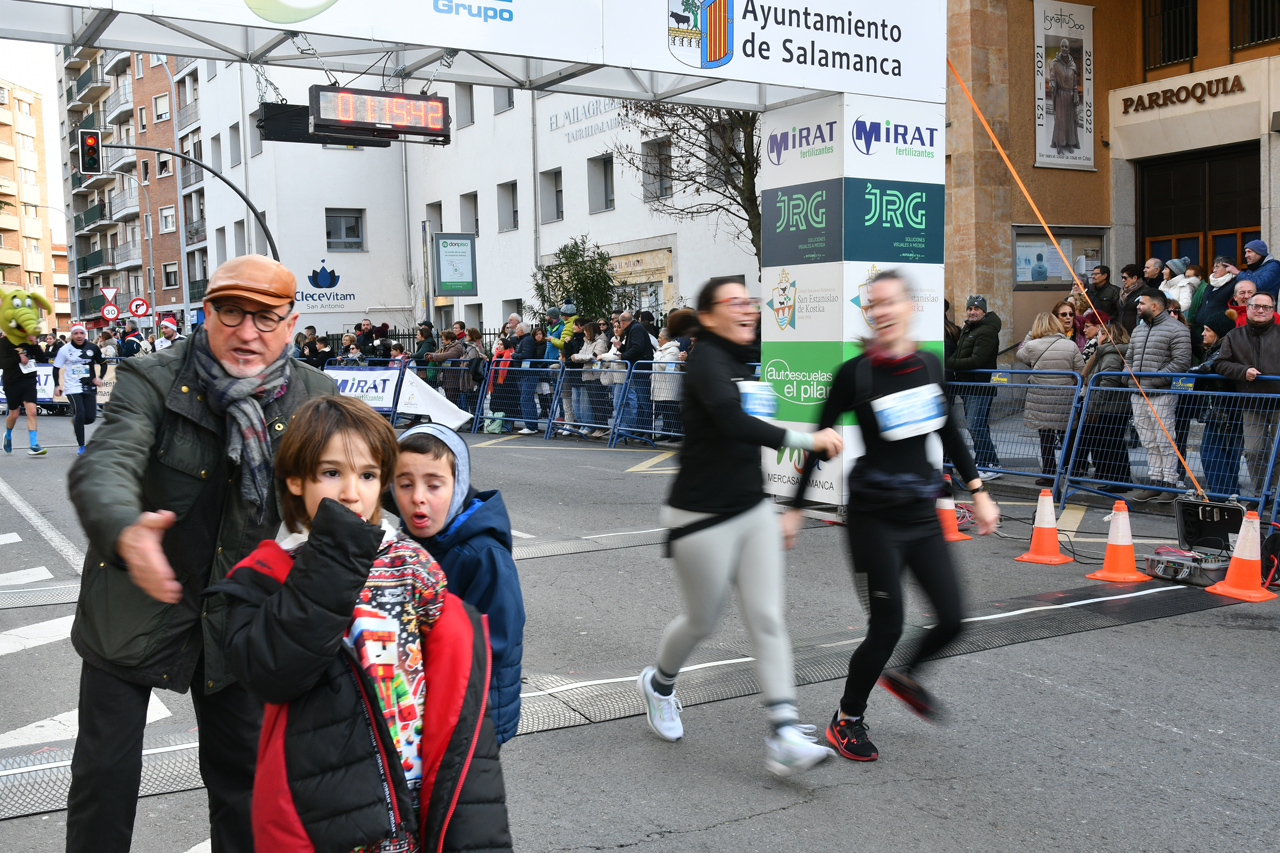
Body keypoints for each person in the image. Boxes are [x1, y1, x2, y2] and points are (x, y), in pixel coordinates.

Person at [64, 254, 338, 853]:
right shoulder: (151, 378)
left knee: (243, 784)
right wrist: (126, 530)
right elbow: (107, 462)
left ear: (291, 324)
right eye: (232, 312)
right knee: (104, 779)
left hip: (238, 614)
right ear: (206, 313)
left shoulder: (316, 397)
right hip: (133, 601)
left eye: (266, 317)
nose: (248, 332)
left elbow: (352, 491)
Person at [209, 397, 511, 852]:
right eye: (332, 473)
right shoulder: (268, 575)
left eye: (368, 475)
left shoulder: (410, 563)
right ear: (296, 480)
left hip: (417, 799)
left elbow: (458, 678)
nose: (352, 493)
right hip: (327, 813)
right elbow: (272, 671)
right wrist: (335, 551)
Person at [790, 270, 999, 763]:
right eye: (873, 305)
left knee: (953, 618)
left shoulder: (928, 363)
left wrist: (979, 491)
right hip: (873, 519)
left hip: (921, 514)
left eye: (889, 302)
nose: (881, 311)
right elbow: (817, 440)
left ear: (910, 306)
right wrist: (795, 508)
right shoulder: (855, 373)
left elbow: (948, 432)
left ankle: (906, 674)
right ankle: (847, 719)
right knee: (887, 626)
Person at [635, 283, 844, 777]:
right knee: (701, 621)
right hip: (700, 514)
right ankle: (659, 685)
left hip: (752, 507)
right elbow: (732, 421)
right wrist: (806, 440)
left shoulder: (741, 357)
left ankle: (783, 732)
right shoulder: (706, 360)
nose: (749, 309)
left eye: (750, 301)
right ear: (708, 317)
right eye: (735, 303)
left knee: (767, 618)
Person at [390, 423, 525, 745]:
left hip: (475, 709)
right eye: (405, 485)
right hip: (425, 703)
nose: (418, 497)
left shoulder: (483, 556)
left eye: (434, 486)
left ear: (458, 486)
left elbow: (496, 642)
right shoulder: (407, 540)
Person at [1127, 288, 1193, 502]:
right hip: (1138, 393)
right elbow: (1129, 358)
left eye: (1142, 303)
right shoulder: (1138, 330)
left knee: (1166, 441)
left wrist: (1153, 379)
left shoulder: (1177, 329)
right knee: (1148, 440)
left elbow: (1181, 362)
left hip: (1161, 394)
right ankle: (1155, 481)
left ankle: (1170, 483)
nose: (1138, 307)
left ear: (1154, 306)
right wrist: (1130, 380)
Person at [1213, 289, 1280, 497]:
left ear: (1273, 310)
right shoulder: (1234, 335)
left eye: (1266, 307)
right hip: (1251, 403)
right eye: (1256, 306)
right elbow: (1220, 363)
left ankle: (1277, 494)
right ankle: (1261, 494)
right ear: (1248, 308)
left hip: (1278, 402)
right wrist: (1243, 372)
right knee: (1252, 452)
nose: (1261, 310)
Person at [1017, 312, 1084, 486]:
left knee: (1045, 437)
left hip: (1041, 398)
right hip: (1065, 396)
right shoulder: (1070, 345)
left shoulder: (1032, 345)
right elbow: (1080, 371)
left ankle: (1048, 473)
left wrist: (1031, 333)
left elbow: (1020, 355)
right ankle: (1072, 472)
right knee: (1067, 435)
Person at [946, 295, 1002, 477]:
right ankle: (983, 462)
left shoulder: (986, 331)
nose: (972, 312)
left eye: (976, 309)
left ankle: (991, 464)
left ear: (984, 312)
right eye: (970, 309)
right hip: (968, 386)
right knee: (979, 426)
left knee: (974, 426)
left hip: (979, 386)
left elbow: (977, 360)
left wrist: (949, 363)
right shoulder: (969, 328)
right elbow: (962, 354)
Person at [1189, 313, 1244, 497]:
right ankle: (1228, 494)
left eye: (1207, 330)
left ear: (1219, 333)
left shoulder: (1224, 348)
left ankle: (1223, 494)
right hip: (1220, 409)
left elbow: (1207, 367)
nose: (1203, 333)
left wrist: (1187, 373)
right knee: (1223, 453)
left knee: (1212, 453)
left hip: (1223, 410)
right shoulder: (1215, 347)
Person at [1075, 318, 1133, 489]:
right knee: (1113, 443)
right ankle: (1118, 479)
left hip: (1110, 407)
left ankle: (1119, 480)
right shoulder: (1110, 352)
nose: (1097, 337)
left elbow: (1109, 381)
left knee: (1112, 444)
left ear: (1108, 336)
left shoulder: (1111, 354)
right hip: (1114, 406)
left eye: (1100, 334)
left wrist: (1094, 402)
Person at [53, 323, 109, 456]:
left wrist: (100, 378)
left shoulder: (93, 348)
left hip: (89, 385)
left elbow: (103, 364)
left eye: (81, 333)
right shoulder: (65, 349)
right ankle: (81, 446)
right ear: (72, 335)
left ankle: (75, 420)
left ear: (85, 334)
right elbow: (56, 368)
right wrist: (57, 385)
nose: (79, 336)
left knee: (90, 418)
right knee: (80, 413)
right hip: (72, 387)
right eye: (76, 333)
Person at [0, 321, 50, 456]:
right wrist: (18, 358)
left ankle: (34, 444)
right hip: (12, 381)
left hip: (29, 380)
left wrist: (34, 344)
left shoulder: (29, 340)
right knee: (14, 414)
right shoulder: (4, 342)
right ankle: (8, 435)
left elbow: (42, 359)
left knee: (32, 411)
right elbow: (1, 363)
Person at [618, 310, 655, 435]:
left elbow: (637, 348)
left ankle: (647, 430)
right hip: (638, 369)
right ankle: (641, 429)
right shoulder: (634, 329)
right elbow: (634, 347)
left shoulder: (636, 329)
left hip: (641, 369)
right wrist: (621, 348)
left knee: (644, 401)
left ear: (622, 322)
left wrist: (623, 355)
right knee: (640, 402)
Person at [651, 326, 683, 441]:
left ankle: (677, 433)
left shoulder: (673, 350)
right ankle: (666, 431)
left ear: (667, 339)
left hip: (670, 385)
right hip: (662, 384)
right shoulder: (662, 349)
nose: (658, 339)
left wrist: (657, 354)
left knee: (672, 410)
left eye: (660, 337)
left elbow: (664, 364)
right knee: (665, 409)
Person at [1048, 38, 1080, 155]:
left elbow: (1074, 84)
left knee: (1070, 121)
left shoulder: (1073, 65)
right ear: (1060, 48)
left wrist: (1076, 96)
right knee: (1060, 121)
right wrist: (1052, 84)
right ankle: (1060, 144)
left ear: (1069, 49)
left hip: (1070, 96)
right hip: (1060, 96)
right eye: (1062, 46)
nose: (1064, 49)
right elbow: (1053, 78)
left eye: (1066, 47)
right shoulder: (1055, 64)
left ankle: (1070, 143)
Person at [511, 322, 539, 434]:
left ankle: (531, 426)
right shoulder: (523, 340)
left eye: (517, 329)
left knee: (526, 399)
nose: (515, 331)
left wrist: (513, 355)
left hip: (528, 374)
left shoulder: (527, 340)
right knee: (527, 399)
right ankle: (532, 425)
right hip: (523, 374)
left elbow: (525, 355)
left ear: (522, 331)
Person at [1117, 264, 1146, 332]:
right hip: (1122, 332)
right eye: (1122, 277)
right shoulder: (1122, 292)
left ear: (1135, 278)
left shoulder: (1144, 292)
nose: (1123, 280)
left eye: (1125, 278)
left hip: (1136, 331)